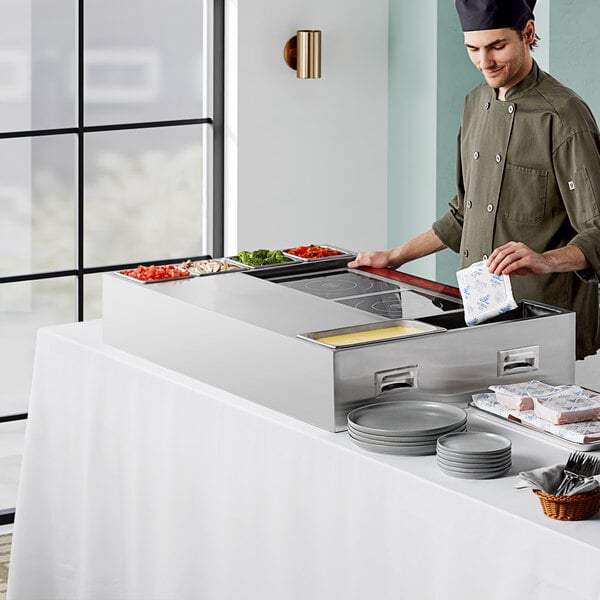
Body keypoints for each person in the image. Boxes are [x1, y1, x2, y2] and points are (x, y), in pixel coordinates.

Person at [348, 0, 600, 360]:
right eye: (473, 49)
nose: (485, 62)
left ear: (527, 33)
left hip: (547, 323)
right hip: (480, 318)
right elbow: (465, 213)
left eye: (498, 47)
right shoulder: (474, 103)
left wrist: (545, 260)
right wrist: (395, 256)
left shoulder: (562, 115)